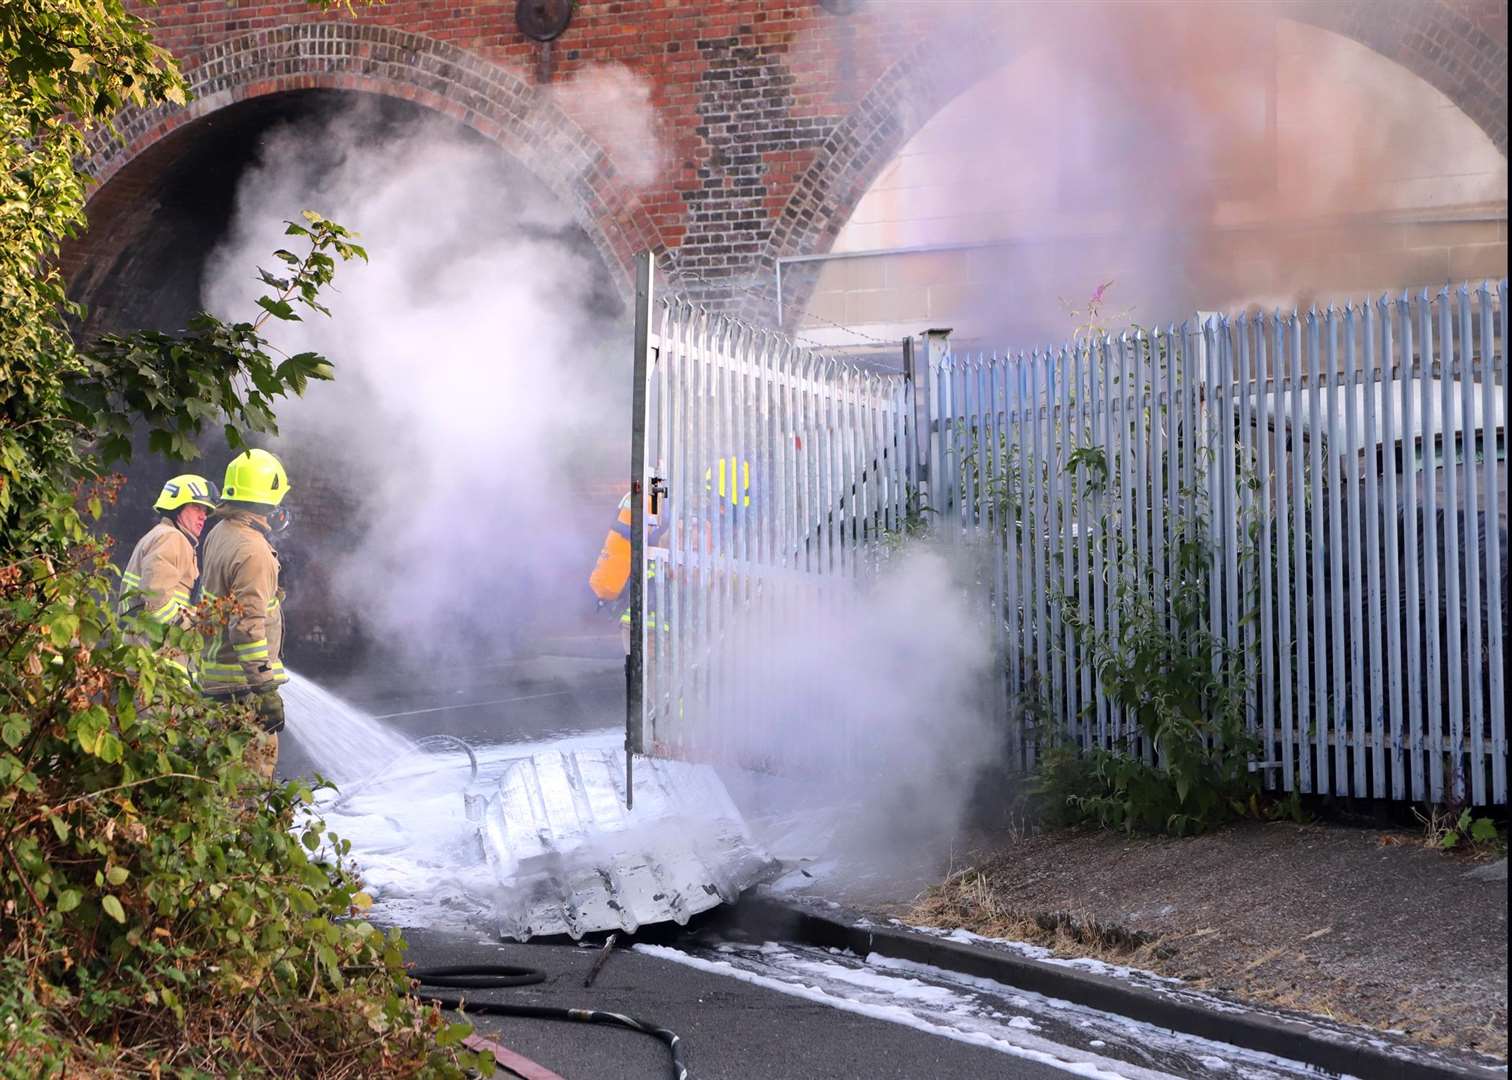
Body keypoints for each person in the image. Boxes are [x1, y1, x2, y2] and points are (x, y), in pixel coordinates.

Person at [198, 449, 292, 781]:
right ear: (265, 502)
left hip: (217, 678)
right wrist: (265, 688)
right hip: (243, 689)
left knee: (221, 778)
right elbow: (248, 628)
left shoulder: (220, 533)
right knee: (249, 781)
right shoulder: (254, 551)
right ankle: (245, 833)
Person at [117, 474, 219, 677]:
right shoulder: (171, 538)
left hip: (150, 653)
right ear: (177, 506)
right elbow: (155, 597)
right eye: (197, 507)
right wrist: (187, 628)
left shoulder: (168, 537)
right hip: (153, 659)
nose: (203, 516)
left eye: (206, 510)